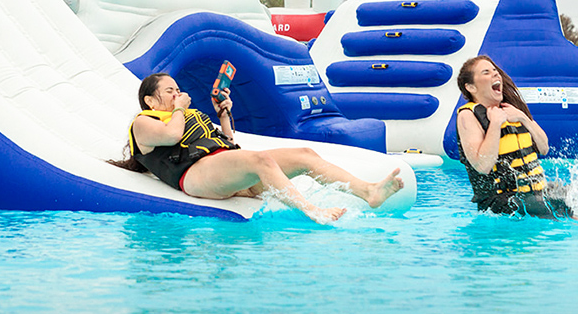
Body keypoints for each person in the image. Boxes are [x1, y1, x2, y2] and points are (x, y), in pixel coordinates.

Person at [111, 72, 404, 224]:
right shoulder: (144, 123)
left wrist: (223, 115)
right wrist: (179, 108)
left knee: (305, 155)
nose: (178, 94)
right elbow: (174, 136)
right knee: (261, 161)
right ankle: (312, 211)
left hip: (222, 165)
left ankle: (369, 192)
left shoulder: (184, 115)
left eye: (178, 90)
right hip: (196, 175)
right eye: (169, 91)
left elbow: (227, 144)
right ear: (150, 101)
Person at [455, 55, 573, 219]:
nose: (496, 74)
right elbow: (483, 165)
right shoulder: (468, 116)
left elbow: (544, 148)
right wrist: (496, 123)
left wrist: (524, 118)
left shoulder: (511, 110)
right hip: (501, 202)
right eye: (486, 72)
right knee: (568, 214)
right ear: (471, 87)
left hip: (533, 195)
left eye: (495, 71)